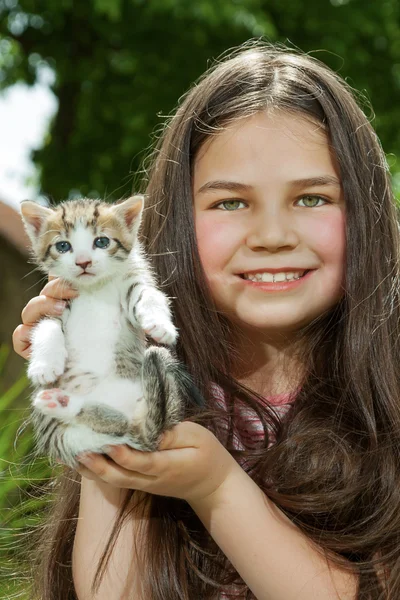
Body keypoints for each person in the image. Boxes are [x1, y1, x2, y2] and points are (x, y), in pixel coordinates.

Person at [12, 40, 400, 599]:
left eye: (312, 199)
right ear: (176, 226)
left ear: (363, 211)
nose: (272, 236)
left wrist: (216, 487)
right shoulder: (168, 385)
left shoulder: (387, 407)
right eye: (230, 203)